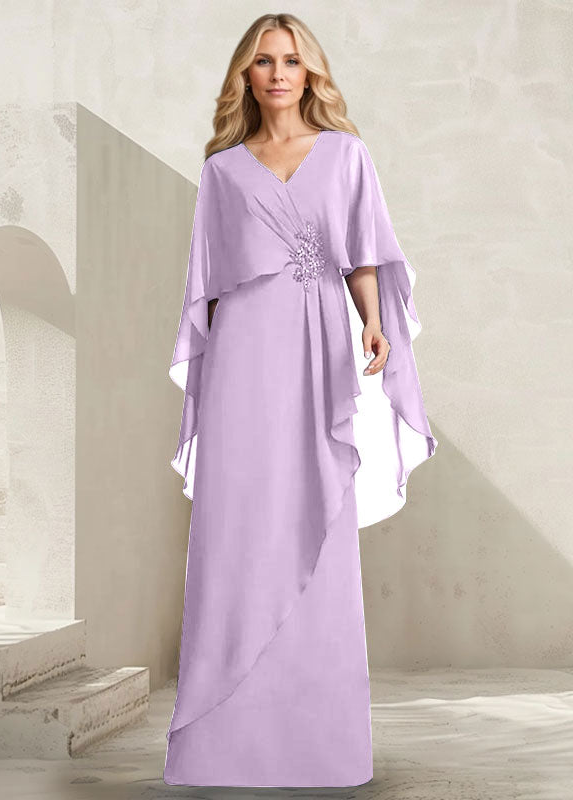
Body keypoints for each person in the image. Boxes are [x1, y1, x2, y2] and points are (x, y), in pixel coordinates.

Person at [164, 12, 438, 789]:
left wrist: (374, 324)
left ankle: (321, 745)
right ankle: (219, 740)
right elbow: (206, 289)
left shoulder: (347, 155)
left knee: (318, 512)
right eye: (263, 62)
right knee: (237, 523)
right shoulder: (222, 171)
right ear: (245, 76)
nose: (279, 73)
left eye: (291, 60)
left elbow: (363, 254)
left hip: (320, 349)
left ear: (309, 72)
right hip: (244, 356)